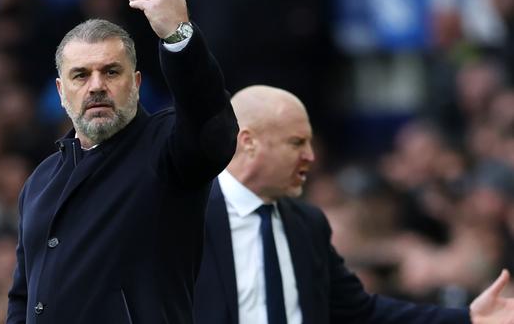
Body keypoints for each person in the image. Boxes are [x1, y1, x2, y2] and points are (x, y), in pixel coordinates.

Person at [6, 0, 238, 324]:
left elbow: (212, 128)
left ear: (137, 82)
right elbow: (22, 297)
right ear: (60, 90)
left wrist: (179, 37)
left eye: (111, 71)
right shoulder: (40, 180)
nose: (96, 86)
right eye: (80, 75)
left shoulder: (167, 147)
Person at [193, 85, 514, 324]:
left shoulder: (307, 224)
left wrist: (467, 318)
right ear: (248, 143)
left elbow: (363, 310)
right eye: (296, 143)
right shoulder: (185, 219)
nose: (310, 157)